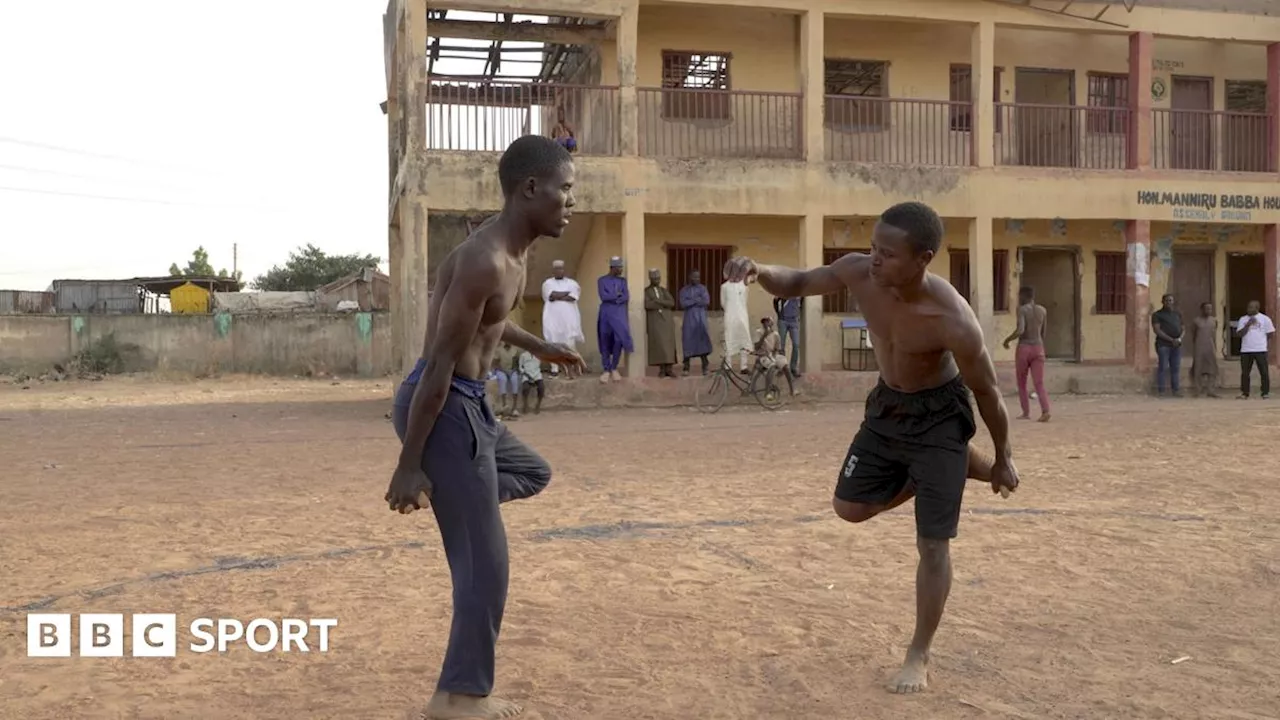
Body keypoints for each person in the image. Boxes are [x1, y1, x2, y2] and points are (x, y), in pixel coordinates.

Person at [724, 200, 1019, 695]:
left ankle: (919, 652)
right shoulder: (861, 274)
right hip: (887, 409)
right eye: (873, 248)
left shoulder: (952, 320)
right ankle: (954, 467)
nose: (874, 259)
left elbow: (987, 391)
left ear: (923, 258)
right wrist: (758, 270)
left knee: (932, 542)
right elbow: (796, 282)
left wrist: (1006, 454)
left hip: (940, 417)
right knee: (849, 508)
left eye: (887, 253)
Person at [385, 134, 586, 720]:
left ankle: (464, 500)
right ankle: (461, 699)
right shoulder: (484, 258)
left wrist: (541, 345)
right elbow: (441, 364)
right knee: (486, 566)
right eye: (564, 190)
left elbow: (489, 326)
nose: (570, 202)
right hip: (445, 406)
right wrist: (409, 465)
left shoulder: (512, 257)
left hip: (470, 407)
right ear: (531, 189)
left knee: (532, 471)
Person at [1002, 286, 1050, 421]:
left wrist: (1007, 340)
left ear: (1023, 296)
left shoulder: (1022, 310)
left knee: (1022, 382)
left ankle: (1026, 412)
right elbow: (1044, 333)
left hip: (1024, 348)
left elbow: (1020, 330)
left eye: (1019, 296)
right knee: (1039, 382)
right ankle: (1045, 410)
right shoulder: (1043, 310)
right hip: (1038, 348)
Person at [540, 259, 584, 378]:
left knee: (570, 344)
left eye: (561, 268)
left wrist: (558, 295)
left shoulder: (572, 283)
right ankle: (554, 369)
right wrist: (565, 294)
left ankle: (573, 369)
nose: (559, 271)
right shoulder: (547, 283)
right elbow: (551, 295)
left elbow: (573, 297)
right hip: (552, 319)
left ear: (564, 270)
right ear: (553, 271)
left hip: (568, 319)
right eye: (557, 269)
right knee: (553, 343)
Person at [597, 256, 633, 383]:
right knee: (605, 339)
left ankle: (614, 368)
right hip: (606, 313)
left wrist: (615, 297)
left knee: (619, 339)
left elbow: (626, 296)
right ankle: (606, 369)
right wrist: (617, 296)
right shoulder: (602, 280)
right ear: (612, 268)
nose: (621, 269)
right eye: (619, 267)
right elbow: (603, 296)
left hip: (619, 314)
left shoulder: (623, 281)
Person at [1234, 299, 1274, 399]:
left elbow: (1270, 333)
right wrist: (1248, 325)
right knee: (1245, 373)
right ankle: (1245, 393)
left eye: (1251, 307)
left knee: (1264, 372)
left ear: (1257, 308)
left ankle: (1265, 392)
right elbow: (1239, 334)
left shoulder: (1265, 319)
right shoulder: (1243, 319)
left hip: (1260, 349)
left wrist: (1261, 342)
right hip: (1246, 350)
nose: (1248, 309)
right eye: (1248, 307)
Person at [644, 268, 679, 378]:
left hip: (666, 322)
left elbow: (671, 302)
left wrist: (658, 301)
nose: (657, 280)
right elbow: (648, 305)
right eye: (655, 278)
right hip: (655, 322)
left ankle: (669, 369)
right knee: (659, 345)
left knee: (668, 345)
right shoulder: (646, 291)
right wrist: (663, 305)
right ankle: (662, 370)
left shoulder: (663, 290)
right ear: (650, 279)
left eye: (658, 278)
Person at [679, 270, 713, 375]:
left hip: (700, 319)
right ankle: (686, 367)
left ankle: (705, 367)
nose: (696, 279)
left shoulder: (703, 288)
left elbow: (706, 301)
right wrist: (696, 300)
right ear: (690, 277)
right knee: (688, 342)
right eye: (694, 277)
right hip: (689, 320)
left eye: (698, 277)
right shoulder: (684, 290)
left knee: (702, 342)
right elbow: (683, 303)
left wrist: (692, 301)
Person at [754, 316, 797, 398]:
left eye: (768, 322)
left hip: (772, 355)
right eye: (764, 322)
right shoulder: (758, 332)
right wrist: (764, 336)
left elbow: (777, 349)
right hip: (763, 356)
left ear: (771, 323)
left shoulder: (775, 334)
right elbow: (756, 347)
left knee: (785, 365)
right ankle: (767, 392)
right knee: (772, 366)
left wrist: (774, 357)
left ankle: (792, 390)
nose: (766, 324)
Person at [1151, 294, 1184, 397]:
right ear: (1163, 302)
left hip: (1176, 345)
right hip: (1163, 345)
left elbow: (1183, 328)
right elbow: (1157, 330)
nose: (1169, 302)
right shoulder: (1157, 315)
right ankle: (1161, 391)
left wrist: (1180, 339)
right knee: (1163, 367)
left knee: (1175, 368)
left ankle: (1176, 390)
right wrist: (1171, 340)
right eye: (1167, 300)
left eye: (1171, 300)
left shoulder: (1177, 314)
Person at [721, 274, 752, 373]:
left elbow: (745, 300)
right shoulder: (724, 287)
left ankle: (744, 366)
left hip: (742, 316)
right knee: (728, 339)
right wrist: (731, 311)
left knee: (743, 340)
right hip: (730, 316)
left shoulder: (744, 286)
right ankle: (728, 366)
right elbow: (723, 303)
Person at [1188, 301, 1220, 398]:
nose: (1208, 310)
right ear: (1202, 309)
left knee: (1212, 368)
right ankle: (1198, 389)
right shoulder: (1196, 321)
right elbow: (1193, 334)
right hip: (1199, 346)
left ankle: (1211, 390)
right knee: (1198, 368)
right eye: (1206, 308)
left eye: (1210, 308)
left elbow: (1214, 334)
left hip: (1210, 346)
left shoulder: (1214, 320)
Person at [773, 296, 803, 377]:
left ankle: (793, 368)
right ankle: (782, 367)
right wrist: (779, 314)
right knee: (781, 345)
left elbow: (801, 304)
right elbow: (775, 301)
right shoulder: (784, 290)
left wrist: (797, 315)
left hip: (794, 321)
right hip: (783, 321)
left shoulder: (800, 293)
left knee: (796, 345)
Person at [489, 343, 521, 418]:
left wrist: (514, 370)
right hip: (501, 370)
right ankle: (504, 405)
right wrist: (501, 369)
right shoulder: (499, 350)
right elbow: (495, 362)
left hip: (512, 370)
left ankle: (515, 407)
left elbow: (517, 362)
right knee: (502, 380)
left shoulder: (515, 350)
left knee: (515, 380)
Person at [517, 349, 546, 415]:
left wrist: (536, 375)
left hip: (537, 374)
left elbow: (539, 366)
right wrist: (526, 374)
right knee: (525, 388)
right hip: (527, 374)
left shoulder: (539, 355)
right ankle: (525, 404)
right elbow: (520, 367)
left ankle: (538, 405)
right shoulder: (523, 355)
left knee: (541, 388)